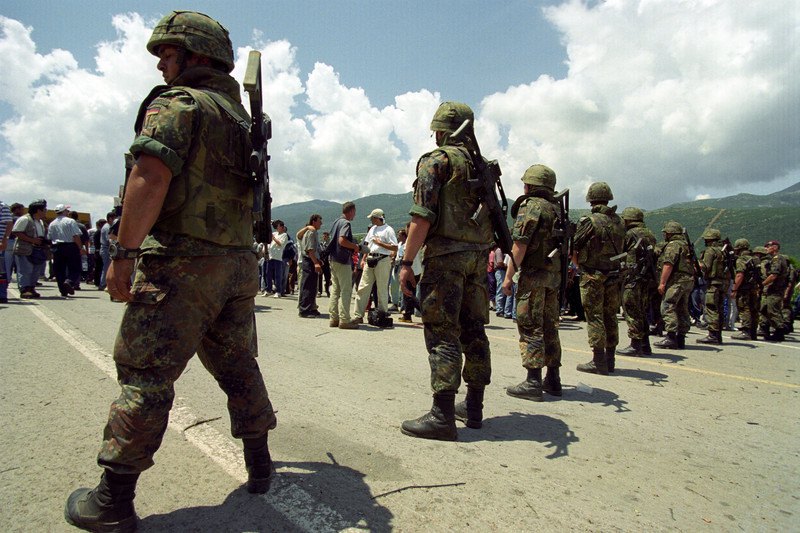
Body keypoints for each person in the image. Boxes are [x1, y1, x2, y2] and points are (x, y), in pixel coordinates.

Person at [65, 12, 277, 531]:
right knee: (237, 365)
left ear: (197, 55)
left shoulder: (179, 104)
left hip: (181, 264)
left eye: (168, 52)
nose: (161, 62)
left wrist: (123, 252)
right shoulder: (240, 120)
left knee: (145, 375)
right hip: (235, 265)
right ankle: (260, 463)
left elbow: (151, 173)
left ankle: (113, 501)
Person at [400, 101, 493, 440]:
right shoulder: (481, 166)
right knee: (474, 330)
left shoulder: (435, 161)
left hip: (446, 260)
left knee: (442, 333)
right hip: (478, 260)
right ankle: (474, 406)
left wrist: (407, 262)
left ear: (440, 130)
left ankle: (442, 415)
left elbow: (422, 215)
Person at [502, 164, 563, 402]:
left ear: (530, 185)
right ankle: (553, 378)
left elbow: (520, 244)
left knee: (530, 326)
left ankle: (533, 381)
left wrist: (509, 277)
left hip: (533, 275)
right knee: (550, 326)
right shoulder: (556, 209)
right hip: (552, 277)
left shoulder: (531, 206)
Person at [573, 182, 625, 375]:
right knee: (610, 315)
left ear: (591, 199)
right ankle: (610, 360)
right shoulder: (619, 222)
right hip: (613, 275)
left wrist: (579, 266)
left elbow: (575, 245)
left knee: (595, 316)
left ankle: (598, 360)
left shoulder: (590, 220)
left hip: (592, 274)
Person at [616, 207, 657, 356]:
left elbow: (622, 253)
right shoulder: (650, 234)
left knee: (632, 309)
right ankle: (645, 344)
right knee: (642, 310)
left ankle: (635, 344)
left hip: (633, 277)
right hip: (646, 278)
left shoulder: (629, 234)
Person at [351, 208, 397, 325]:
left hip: (382, 259)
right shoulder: (372, 229)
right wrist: (364, 257)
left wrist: (379, 243)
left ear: (378, 218)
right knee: (363, 287)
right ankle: (358, 315)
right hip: (370, 258)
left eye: (372, 218)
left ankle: (382, 314)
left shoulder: (388, 230)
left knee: (382, 288)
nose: (371, 220)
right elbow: (367, 244)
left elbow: (395, 247)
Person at [653, 221, 695, 350]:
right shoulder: (686, 245)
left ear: (670, 232)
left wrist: (662, 282)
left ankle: (671, 337)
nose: (664, 235)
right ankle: (680, 338)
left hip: (676, 281)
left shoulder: (673, 245)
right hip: (688, 280)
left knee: (667, 306)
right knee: (682, 308)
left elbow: (668, 264)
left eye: (665, 232)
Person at [325, 202, 360, 329]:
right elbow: (342, 240)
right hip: (342, 259)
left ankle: (333, 318)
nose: (354, 215)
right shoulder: (346, 223)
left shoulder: (336, 222)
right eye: (354, 212)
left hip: (333, 259)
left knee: (335, 289)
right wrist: (355, 247)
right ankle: (345, 320)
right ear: (350, 211)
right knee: (346, 290)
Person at [695, 228, 730, 344]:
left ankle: (713, 335)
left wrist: (696, 263)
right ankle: (718, 334)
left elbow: (705, 267)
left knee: (711, 308)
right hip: (723, 283)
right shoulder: (724, 251)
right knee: (719, 308)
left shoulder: (710, 251)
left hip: (713, 283)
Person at [12, 200, 48, 298]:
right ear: (38, 210)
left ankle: (31, 288)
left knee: (35, 270)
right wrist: (32, 240)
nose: (46, 211)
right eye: (44, 209)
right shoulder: (24, 219)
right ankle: (25, 289)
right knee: (25, 270)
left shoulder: (40, 221)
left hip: (38, 249)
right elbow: (17, 232)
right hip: (25, 249)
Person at [48, 204, 84, 297]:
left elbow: (49, 237)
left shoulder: (52, 224)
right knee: (75, 268)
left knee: (59, 270)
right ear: (64, 211)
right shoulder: (70, 221)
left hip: (57, 247)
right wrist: (80, 248)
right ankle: (69, 282)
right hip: (70, 246)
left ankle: (63, 290)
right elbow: (76, 236)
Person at [730, 239, 761, 340]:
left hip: (744, 288)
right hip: (753, 287)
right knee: (753, 309)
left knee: (744, 308)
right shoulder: (755, 258)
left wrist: (734, 289)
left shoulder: (741, 259)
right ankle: (753, 332)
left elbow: (740, 275)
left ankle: (745, 331)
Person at [760, 240, 790, 341]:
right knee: (765, 309)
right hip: (773, 290)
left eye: (768, 246)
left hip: (776, 290)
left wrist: (762, 284)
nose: (766, 248)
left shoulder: (777, 259)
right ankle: (766, 329)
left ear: (775, 247)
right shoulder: (774, 259)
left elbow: (773, 275)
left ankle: (780, 330)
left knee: (773, 310)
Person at [297, 214, 323, 317]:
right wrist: (316, 263)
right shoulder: (311, 232)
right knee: (307, 286)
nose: (321, 223)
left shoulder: (313, 232)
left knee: (312, 286)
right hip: (309, 261)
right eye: (319, 221)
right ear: (314, 221)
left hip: (312, 260)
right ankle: (304, 310)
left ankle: (311, 308)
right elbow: (310, 250)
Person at [98, 211, 117, 290]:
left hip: (105, 248)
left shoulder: (107, 226)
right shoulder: (107, 227)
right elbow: (109, 239)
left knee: (107, 267)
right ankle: (103, 284)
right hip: (106, 249)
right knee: (106, 267)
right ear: (110, 219)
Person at [0, 200, 12, 303]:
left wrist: (5, 239)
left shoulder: (3, 206)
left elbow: (9, 223)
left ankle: (2, 294)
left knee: (1, 271)